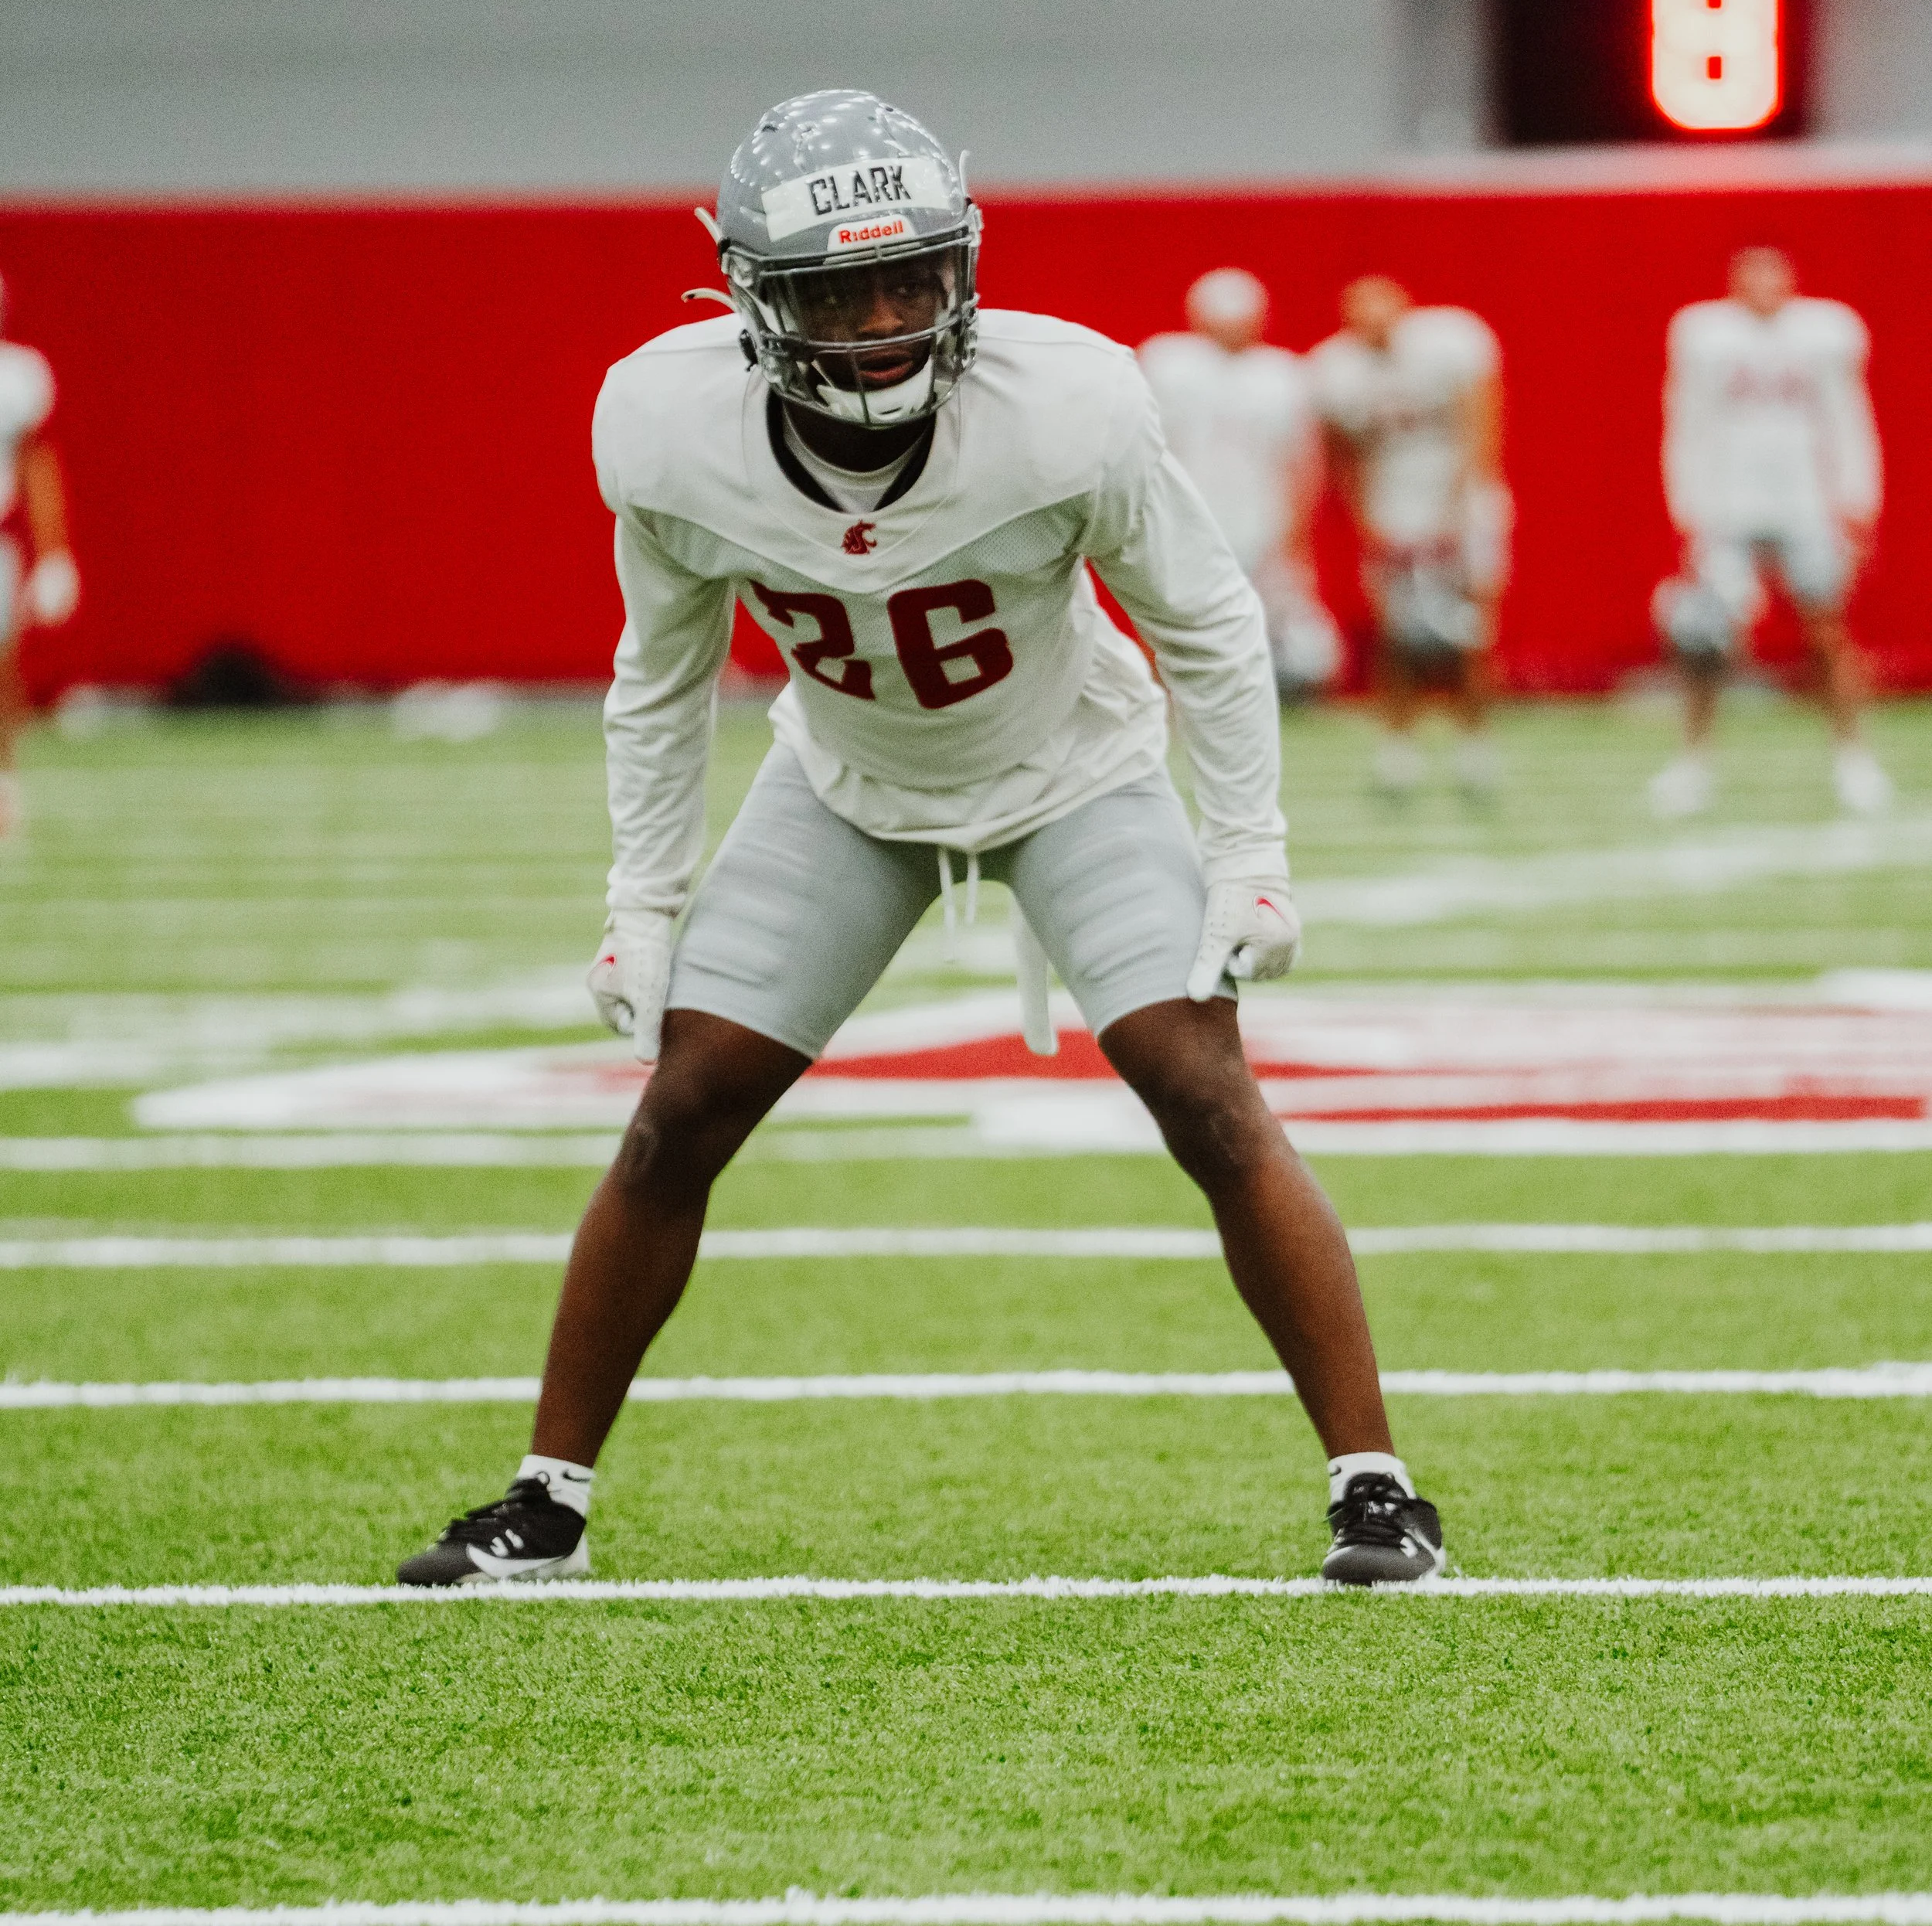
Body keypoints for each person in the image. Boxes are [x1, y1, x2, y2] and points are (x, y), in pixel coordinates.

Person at [396, 90, 1443, 1589]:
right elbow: (662, 670)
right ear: (754, 294)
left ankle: (1376, 1483)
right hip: (847, 783)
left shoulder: (1065, 402)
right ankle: (544, 1502)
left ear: (963, 265)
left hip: (1072, 765)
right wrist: (639, 896)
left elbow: (1209, 621)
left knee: (1199, 1086)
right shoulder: (665, 422)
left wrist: (1246, 851)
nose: (883, 318)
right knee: (679, 1109)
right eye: (837, 287)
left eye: (909, 277)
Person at [1648, 247, 1889, 820]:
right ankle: (1694, 763)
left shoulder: (1826, 332)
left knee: (1827, 633)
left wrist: (1856, 501)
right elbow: (1686, 418)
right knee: (1707, 643)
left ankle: (1853, 758)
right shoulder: (1704, 334)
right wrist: (1690, 507)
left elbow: (1848, 415)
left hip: (1805, 502)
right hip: (1729, 506)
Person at [1305, 274, 1511, 797]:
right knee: (1397, 638)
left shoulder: (1449, 343)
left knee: (1468, 635)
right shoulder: (1336, 368)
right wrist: (1368, 519)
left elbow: (1480, 421)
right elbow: (1344, 457)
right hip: (1394, 509)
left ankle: (1475, 748)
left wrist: (1457, 507)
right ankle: (1398, 751)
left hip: (1460, 506)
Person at [1139, 267, 1342, 699]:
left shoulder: (1281, 374)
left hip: (1261, 521)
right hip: (1187, 516)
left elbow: (1304, 459)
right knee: (1171, 620)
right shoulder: (1169, 363)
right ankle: (1163, 712)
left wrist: (1296, 531)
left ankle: (1247, 714)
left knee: (1265, 635)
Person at [0, 277, 80, 839]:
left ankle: (4, 783)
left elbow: (37, 464)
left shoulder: (16, 376)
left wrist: (55, 550)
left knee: (3, 671)